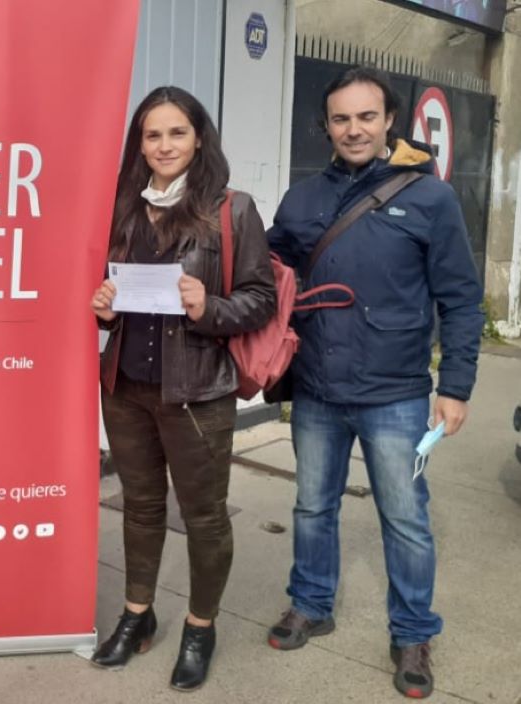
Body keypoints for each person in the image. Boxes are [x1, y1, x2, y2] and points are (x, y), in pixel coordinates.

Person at [265, 67, 484, 699]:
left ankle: (413, 631)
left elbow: (462, 300)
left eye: (366, 117)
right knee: (311, 507)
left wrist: (457, 386)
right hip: (316, 388)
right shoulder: (301, 199)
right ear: (325, 126)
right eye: (340, 119)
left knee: (406, 518)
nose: (353, 129)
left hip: (397, 393)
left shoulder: (429, 197)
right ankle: (310, 604)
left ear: (390, 120)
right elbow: (265, 273)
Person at [89, 86, 276, 691]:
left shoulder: (232, 208)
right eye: (152, 134)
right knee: (140, 508)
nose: (163, 145)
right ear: (138, 144)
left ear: (199, 138)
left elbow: (260, 299)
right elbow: (110, 292)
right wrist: (104, 310)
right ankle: (137, 616)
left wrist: (210, 307)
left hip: (197, 391)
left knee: (203, 516)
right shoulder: (123, 208)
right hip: (126, 387)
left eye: (176, 132)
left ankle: (201, 626)